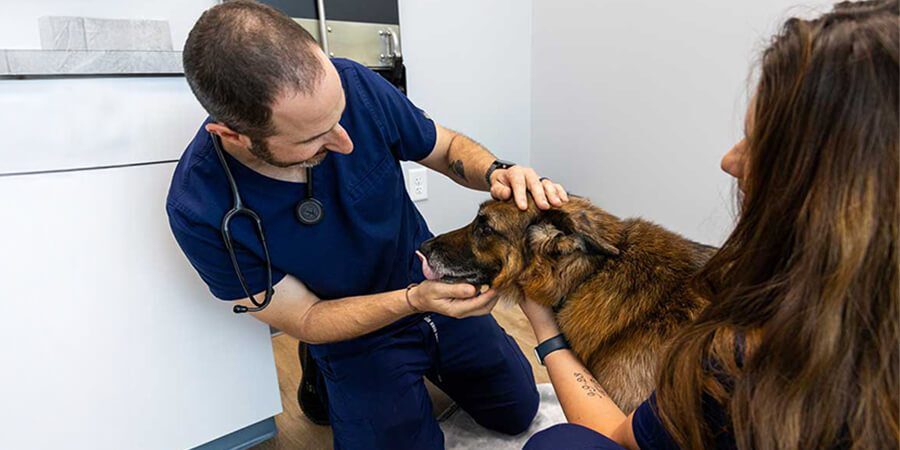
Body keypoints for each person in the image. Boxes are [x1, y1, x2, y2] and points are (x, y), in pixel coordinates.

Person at [166, 1, 569, 448]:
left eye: (340, 116)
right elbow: (305, 315)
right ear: (234, 136)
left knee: (518, 411)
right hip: (353, 331)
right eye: (313, 138)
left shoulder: (354, 83)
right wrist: (414, 300)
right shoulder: (200, 209)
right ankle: (325, 373)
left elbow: (444, 147)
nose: (345, 140)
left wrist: (496, 170)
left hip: (426, 275)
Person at [521, 1, 898, 448]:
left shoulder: (743, 356)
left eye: (756, 143)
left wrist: (545, 329)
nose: (730, 161)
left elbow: (614, 436)